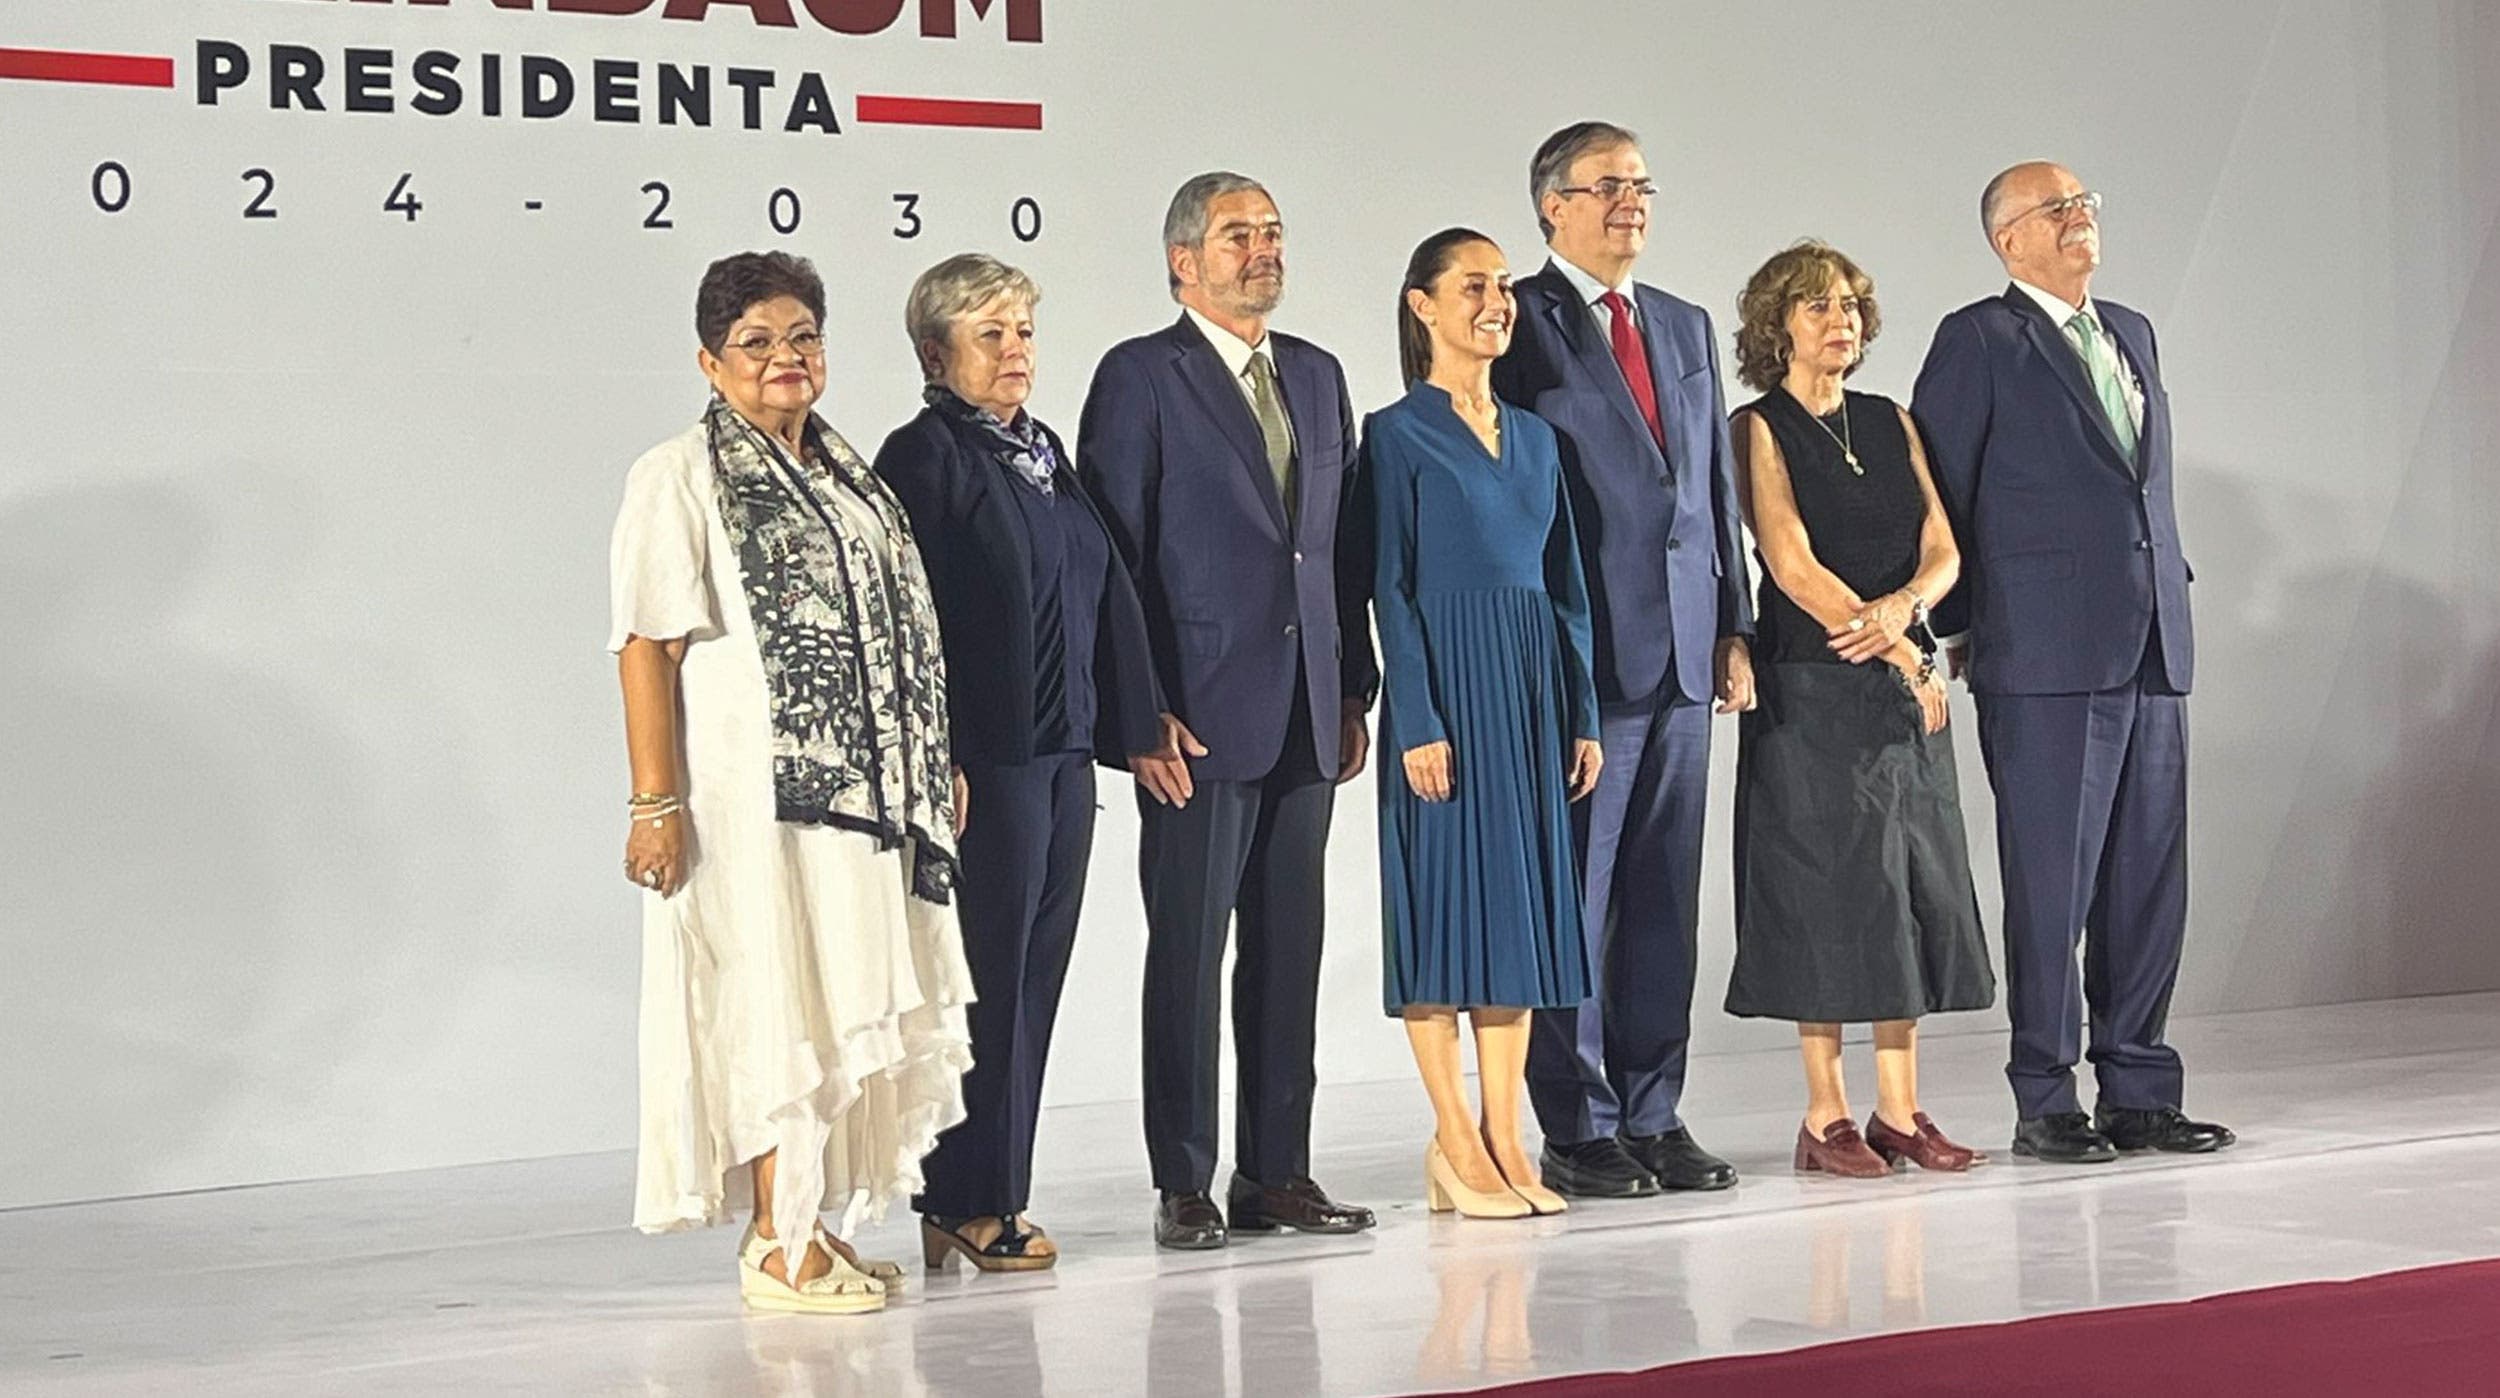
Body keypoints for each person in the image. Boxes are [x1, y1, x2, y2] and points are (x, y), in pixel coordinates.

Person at [609, 250, 974, 1314]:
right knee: (780, 1003)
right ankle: (778, 1241)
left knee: (840, 998)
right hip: (751, 803)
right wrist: (654, 802)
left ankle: (809, 1220)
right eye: (756, 342)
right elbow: (645, 646)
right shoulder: (678, 475)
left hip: (862, 805)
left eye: (802, 337)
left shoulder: (847, 477)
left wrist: (930, 760)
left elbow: (895, 632)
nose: (785, 358)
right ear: (710, 362)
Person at [1078, 171, 1381, 1250]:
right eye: (1237, 235)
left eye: (1272, 232)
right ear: (1183, 262)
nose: (1263, 250)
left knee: (1290, 953)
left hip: (1307, 712)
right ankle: (1184, 1181)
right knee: (1188, 954)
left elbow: (1340, 549)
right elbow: (1112, 560)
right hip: (1194, 722)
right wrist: (1138, 713)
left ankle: (1276, 1174)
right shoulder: (1139, 376)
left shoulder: (1317, 373)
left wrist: (1353, 688)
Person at [1912, 162, 2236, 1162]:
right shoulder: (1978, 339)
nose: (2078, 217)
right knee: (2052, 884)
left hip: (2151, 642)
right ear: (2007, 238)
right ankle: (2045, 1096)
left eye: (2085, 202)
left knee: (2148, 881)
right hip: (2042, 649)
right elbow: (1941, 491)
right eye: (2055, 208)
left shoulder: (2130, 330)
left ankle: (2139, 1088)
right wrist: (1958, 627)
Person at [871, 253, 1163, 1272]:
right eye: (989, 335)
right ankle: (964, 1196)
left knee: (1035, 978)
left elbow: (1102, 589)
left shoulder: (1039, 452)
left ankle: (995, 1189)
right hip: (984, 764)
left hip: (1061, 754)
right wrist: (938, 750)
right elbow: (912, 624)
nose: (1015, 352)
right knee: (984, 982)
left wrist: (1136, 722)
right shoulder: (923, 458)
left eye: (1023, 332)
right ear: (934, 353)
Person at [1491, 121, 1755, 1199]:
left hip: (1686, 654)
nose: (1630, 202)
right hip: (1584, 658)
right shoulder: (1517, 319)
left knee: (1661, 902)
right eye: (1606, 186)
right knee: (1578, 897)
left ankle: (1654, 1110)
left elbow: (1711, 489)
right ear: (1552, 205)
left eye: (1641, 184)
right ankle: (1579, 1122)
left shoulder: (1683, 323)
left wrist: (1733, 624)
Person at [1723, 241, 1995, 1176]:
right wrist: (1903, 650)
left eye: (1847, 305)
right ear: (1777, 326)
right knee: (1829, 895)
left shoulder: (1889, 420)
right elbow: (1790, 563)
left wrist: (1904, 616)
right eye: (1816, 306)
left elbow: (1943, 549)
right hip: (1812, 690)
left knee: (1908, 890)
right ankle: (1825, 1116)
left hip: (1897, 686)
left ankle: (1900, 1110)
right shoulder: (1759, 427)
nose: (1838, 320)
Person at [1370, 228, 1603, 1218]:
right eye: (1472, 286)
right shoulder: (1393, 435)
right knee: (1440, 918)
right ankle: (1454, 1140)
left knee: (1514, 917)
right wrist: (1417, 717)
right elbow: (1388, 586)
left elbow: (1568, 588)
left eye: (1502, 284)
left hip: (1529, 692)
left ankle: (1507, 1135)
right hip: (1447, 694)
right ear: (1423, 306)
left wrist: (1581, 712)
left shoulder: (1540, 439)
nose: (1495, 301)